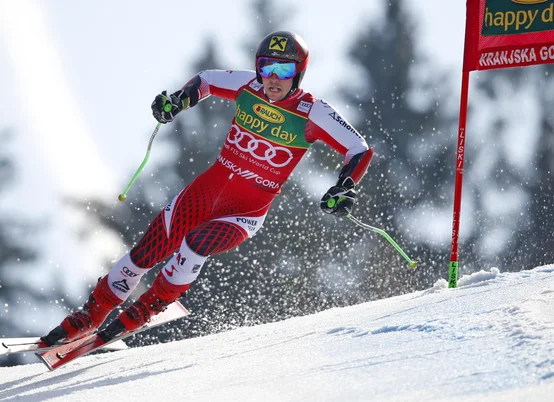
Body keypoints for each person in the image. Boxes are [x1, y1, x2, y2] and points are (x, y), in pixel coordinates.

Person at [41, 30, 374, 345]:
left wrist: (345, 186)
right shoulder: (248, 86)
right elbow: (209, 80)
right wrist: (179, 100)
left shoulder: (312, 111)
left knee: (196, 245)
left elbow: (359, 149)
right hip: (203, 193)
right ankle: (91, 314)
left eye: (283, 69)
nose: (273, 77)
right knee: (145, 252)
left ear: (298, 73)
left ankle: (148, 306)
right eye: (266, 67)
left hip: (244, 212)